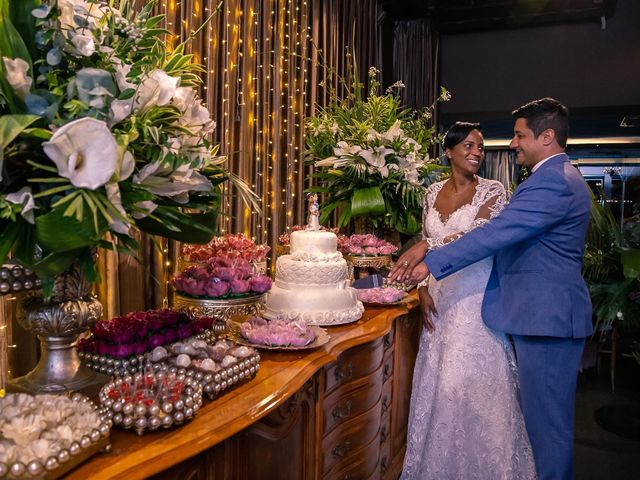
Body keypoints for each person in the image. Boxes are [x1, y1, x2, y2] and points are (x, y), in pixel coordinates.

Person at [391, 98, 592, 480]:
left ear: (546, 137)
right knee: (543, 425)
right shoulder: (551, 179)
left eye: (519, 135)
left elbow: (494, 234)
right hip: (538, 317)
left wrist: (429, 259)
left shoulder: (553, 183)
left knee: (548, 432)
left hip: (548, 320)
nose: (512, 144)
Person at [399, 122, 536, 480]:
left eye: (481, 147)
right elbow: (428, 237)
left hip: (474, 302)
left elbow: (476, 237)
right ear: (449, 151)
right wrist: (423, 288)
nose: (477, 152)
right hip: (439, 301)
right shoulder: (430, 193)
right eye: (469, 146)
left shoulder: (494, 191)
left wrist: (427, 247)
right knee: (439, 385)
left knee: (469, 385)